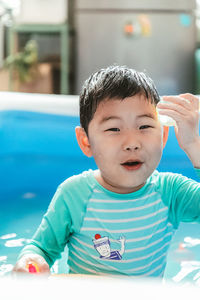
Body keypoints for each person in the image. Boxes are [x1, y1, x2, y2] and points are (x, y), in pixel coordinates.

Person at [13, 65, 200, 277]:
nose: (132, 143)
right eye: (114, 129)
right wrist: (32, 261)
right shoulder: (74, 194)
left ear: (163, 136)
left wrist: (193, 144)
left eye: (145, 126)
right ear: (86, 142)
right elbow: (42, 249)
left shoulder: (171, 192)